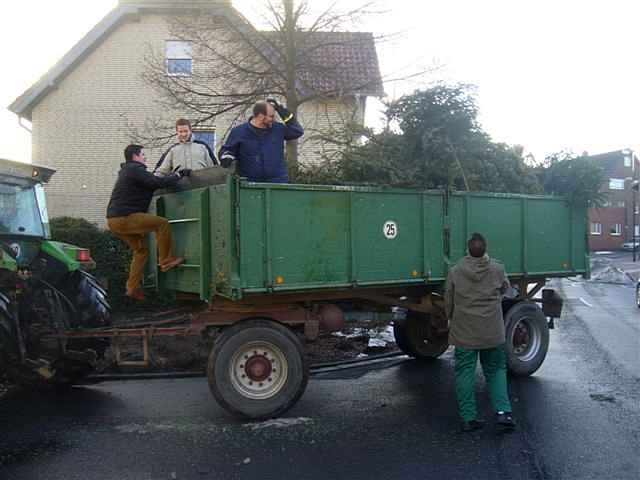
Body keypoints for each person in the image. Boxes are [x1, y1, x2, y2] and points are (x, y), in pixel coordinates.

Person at [444, 232, 516, 432]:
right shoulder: (497, 268)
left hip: (464, 330)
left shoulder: (455, 271)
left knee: (465, 372)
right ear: (486, 249)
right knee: (496, 370)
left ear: (468, 249)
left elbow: (448, 299)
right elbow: (505, 289)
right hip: (492, 331)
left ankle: (469, 418)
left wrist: (450, 317)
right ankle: (503, 412)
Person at [107, 144, 191, 301]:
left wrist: (171, 176)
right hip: (125, 217)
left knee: (141, 251)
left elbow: (153, 181)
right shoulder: (135, 170)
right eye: (143, 154)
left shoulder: (128, 172)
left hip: (114, 221)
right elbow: (156, 182)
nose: (145, 157)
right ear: (135, 156)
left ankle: (131, 288)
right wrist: (178, 175)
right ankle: (165, 260)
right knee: (162, 224)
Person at [218, 99, 304, 183]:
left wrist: (281, 109)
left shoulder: (278, 129)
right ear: (260, 116)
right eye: (271, 116)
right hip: (249, 187)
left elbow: (297, 131)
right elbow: (226, 151)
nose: (273, 119)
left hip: (278, 184)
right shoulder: (239, 132)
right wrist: (226, 157)